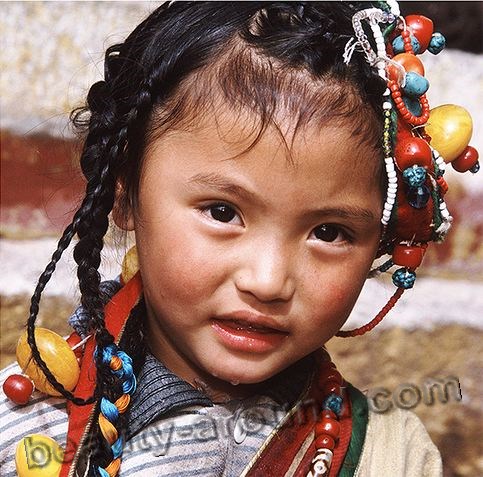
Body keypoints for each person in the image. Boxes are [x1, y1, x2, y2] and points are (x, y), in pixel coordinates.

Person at [0, 2, 478, 476]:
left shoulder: (390, 457)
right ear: (125, 194)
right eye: (223, 212)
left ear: (382, 237)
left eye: (329, 232)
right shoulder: (23, 427)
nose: (268, 281)